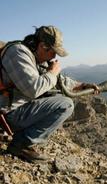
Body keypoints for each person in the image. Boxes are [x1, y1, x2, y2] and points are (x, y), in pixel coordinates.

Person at [0, 26, 99, 162]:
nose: (54, 56)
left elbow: (59, 80)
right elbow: (33, 89)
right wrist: (52, 72)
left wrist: (81, 85)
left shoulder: (34, 55)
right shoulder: (18, 53)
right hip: (7, 114)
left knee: (53, 95)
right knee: (65, 104)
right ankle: (21, 144)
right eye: (53, 52)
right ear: (42, 46)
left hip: (13, 110)